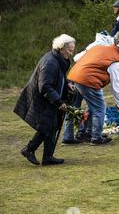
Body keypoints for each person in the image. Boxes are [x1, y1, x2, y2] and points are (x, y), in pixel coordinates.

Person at [14, 34, 76, 166]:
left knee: (50, 125)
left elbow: (60, 78)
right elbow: (45, 86)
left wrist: (67, 83)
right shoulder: (50, 63)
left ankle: (46, 156)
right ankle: (30, 149)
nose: (71, 53)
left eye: (72, 50)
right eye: (70, 50)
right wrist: (59, 101)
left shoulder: (59, 59)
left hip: (50, 96)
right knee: (48, 125)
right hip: (41, 97)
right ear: (61, 48)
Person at [66, 31, 119, 145]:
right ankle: (96, 138)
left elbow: (78, 58)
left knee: (74, 108)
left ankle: (72, 136)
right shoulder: (116, 61)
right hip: (88, 80)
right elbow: (116, 85)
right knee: (100, 108)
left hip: (74, 76)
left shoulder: (101, 47)